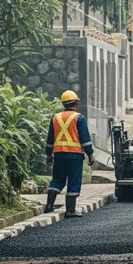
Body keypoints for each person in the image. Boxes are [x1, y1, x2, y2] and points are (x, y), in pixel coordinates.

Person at [44, 90, 95, 218]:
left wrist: (48, 154)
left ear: (63, 104)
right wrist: (90, 154)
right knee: (73, 181)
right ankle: (70, 210)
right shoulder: (79, 118)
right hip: (74, 155)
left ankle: (49, 206)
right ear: (76, 103)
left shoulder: (55, 118)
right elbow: (85, 139)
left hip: (59, 155)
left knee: (57, 180)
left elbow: (50, 139)